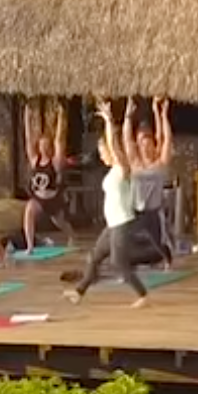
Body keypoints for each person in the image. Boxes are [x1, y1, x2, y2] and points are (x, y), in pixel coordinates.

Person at [64, 99, 148, 308]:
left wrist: (109, 121)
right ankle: (78, 292)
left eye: (103, 152)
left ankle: (143, 295)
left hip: (122, 223)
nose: (101, 156)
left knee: (118, 263)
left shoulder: (122, 169)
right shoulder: (113, 171)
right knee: (94, 257)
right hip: (112, 225)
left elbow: (114, 146)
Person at [124, 97, 173, 269]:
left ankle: (165, 257)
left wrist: (163, 114)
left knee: (157, 250)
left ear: (153, 145)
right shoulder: (135, 163)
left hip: (153, 214)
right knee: (128, 248)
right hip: (136, 212)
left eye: (149, 144)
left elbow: (166, 139)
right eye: (142, 145)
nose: (145, 148)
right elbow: (127, 141)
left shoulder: (159, 164)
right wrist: (128, 117)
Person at [21, 101, 74, 254]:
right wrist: (26, 118)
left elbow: (59, 140)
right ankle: (30, 245)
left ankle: (72, 236)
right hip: (38, 198)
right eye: (41, 145)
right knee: (29, 211)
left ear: (49, 146)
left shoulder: (55, 161)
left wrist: (61, 118)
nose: (43, 147)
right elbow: (28, 140)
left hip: (52, 198)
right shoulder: (35, 160)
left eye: (46, 145)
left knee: (59, 221)